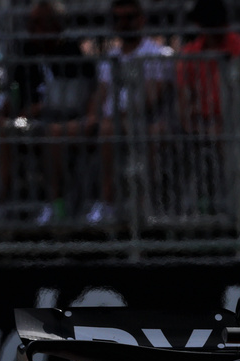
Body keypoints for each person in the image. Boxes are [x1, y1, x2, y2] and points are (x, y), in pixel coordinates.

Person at [0, 1, 92, 224]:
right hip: (30, 122)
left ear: (55, 27)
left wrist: (42, 108)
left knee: (52, 133)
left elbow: (76, 99)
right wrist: (11, 114)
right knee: (7, 130)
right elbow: (16, 99)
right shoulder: (25, 54)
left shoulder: (72, 53)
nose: (33, 30)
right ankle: (1, 200)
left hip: (67, 121)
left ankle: (55, 203)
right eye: (31, 24)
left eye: (39, 24)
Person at [77, 0, 175, 224]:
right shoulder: (111, 57)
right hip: (107, 122)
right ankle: (56, 205)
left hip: (144, 122)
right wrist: (93, 116)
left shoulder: (158, 54)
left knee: (109, 132)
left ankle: (107, 203)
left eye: (129, 17)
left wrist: (111, 119)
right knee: (54, 133)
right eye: (117, 18)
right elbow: (99, 95)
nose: (123, 23)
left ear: (142, 20)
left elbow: (150, 100)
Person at [175, 0, 240, 213]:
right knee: (163, 135)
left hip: (236, 122)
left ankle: (237, 207)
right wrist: (192, 124)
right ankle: (176, 207)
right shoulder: (191, 52)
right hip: (200, 124)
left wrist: (221, 124)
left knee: (226, 139)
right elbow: (184, 100)